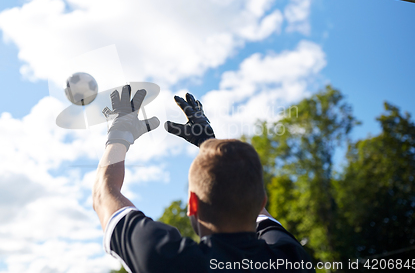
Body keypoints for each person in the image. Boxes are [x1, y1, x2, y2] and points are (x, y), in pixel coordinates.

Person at [93, 85, 315, 272]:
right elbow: (256, 208)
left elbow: (104, 193)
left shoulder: (166, 259)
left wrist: (119, 133)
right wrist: (210, 144)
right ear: (262, 201)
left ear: (192, 205)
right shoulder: (291, 258)